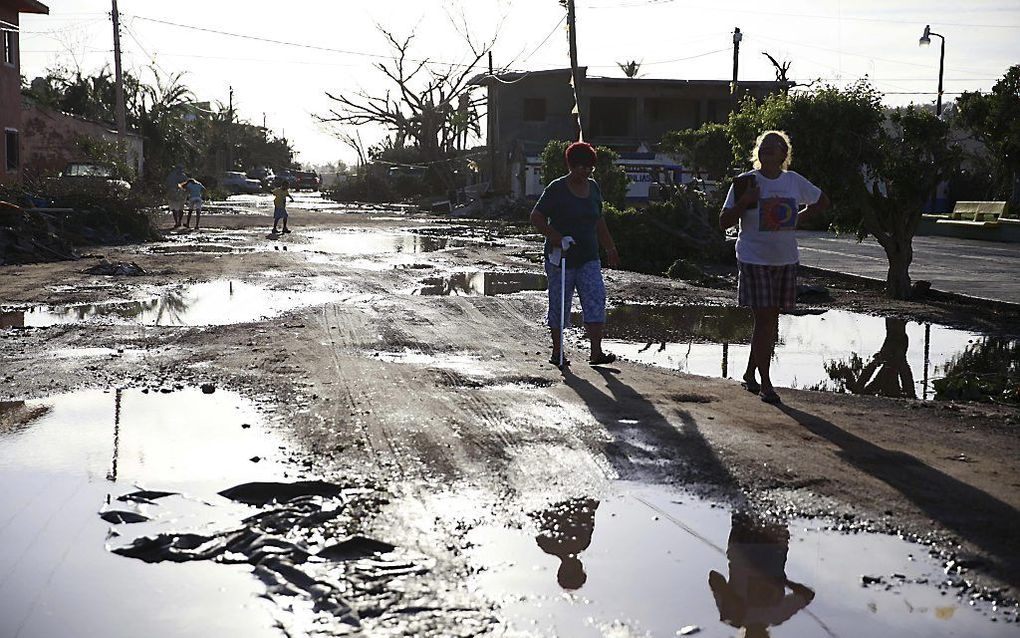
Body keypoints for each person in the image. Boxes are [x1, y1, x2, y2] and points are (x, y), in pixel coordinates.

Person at [719, 131, 829, 404]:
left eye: (772, 149)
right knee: (765, 319)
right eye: (762, 149)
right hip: (753, 258)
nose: (766, 153)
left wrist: (797, 218)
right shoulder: (746, 182)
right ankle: (766, 383)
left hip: (785, 260)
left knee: (769, 321)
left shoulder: (793, 181)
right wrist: (744, 202)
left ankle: (748, 374)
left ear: (783, 154)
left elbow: (822, 202)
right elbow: (723, 222)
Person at [530, 142, 621, 367]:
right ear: (571, 165)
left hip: (589, 256)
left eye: (590, 167)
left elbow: (599, 220)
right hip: (561, 258)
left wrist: (610, 248)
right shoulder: (556, 188)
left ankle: (596, 353)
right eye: (581, 167)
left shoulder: (594, 188)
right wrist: (556, 236)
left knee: (595, 299)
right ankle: (557, 352)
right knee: (559, 303)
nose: (586, 171)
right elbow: (536, 217)